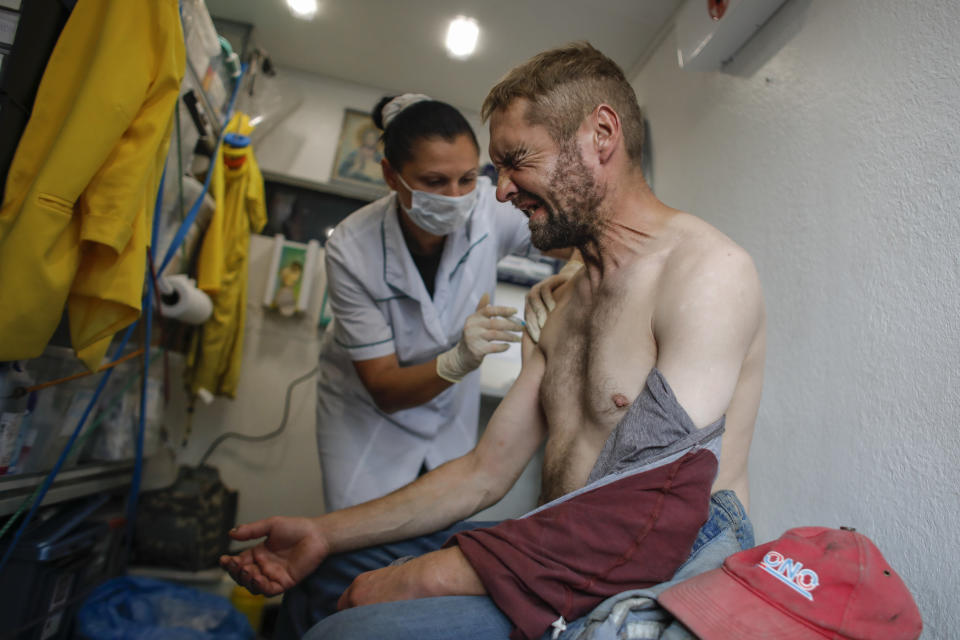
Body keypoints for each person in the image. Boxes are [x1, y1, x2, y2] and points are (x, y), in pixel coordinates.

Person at [221, 42, 766, 640]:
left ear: (601, 134)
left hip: (661, 578)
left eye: (515, 161)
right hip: (567, 575)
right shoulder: (566, 300)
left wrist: (423, 576)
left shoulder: (707, 273)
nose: (498, 191)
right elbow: (484, 471)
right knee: (325, 610)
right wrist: (325, 532)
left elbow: (648, 513)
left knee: (346, 629)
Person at [315, 94, 560, 511]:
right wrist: (458, 360)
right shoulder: (351, 248)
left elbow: (568, 239)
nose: (455, 196)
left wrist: (571, 271)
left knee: (436, 527)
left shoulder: (488, 208)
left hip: (448, 415)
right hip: (368, 421)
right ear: (392, 176)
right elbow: (385, 388)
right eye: (434, 182)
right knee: (354, 538)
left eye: (467, 178)